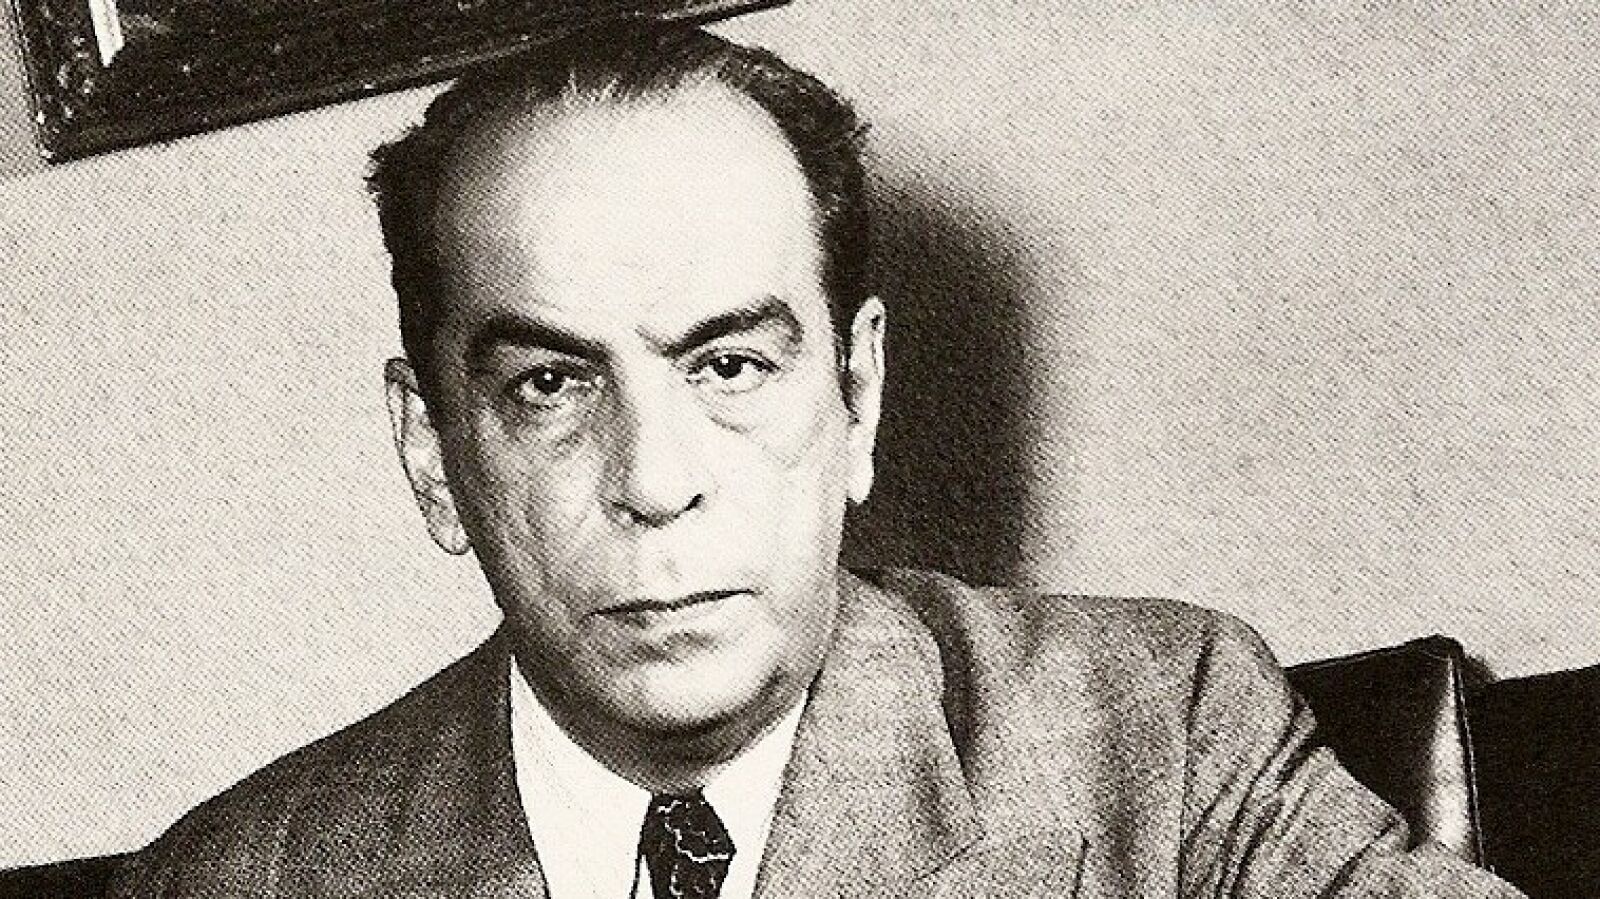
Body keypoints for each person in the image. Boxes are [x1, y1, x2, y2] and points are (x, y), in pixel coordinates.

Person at [109, 20, 1525, 899]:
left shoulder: (1165, 737)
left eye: (729, 366)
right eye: (550, 385)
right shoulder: (234, 883)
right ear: (434, 453)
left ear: (858, 393)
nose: (653, 480)